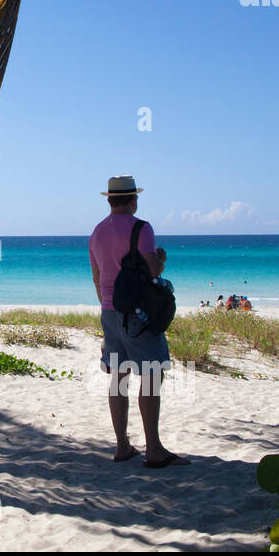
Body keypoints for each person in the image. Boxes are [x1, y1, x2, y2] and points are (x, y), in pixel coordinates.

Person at [88, 175, 187, 469]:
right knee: (152, 374)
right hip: (137, 313)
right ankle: (153, 448)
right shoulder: (141, 228)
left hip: (108, 310)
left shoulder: (96, 232)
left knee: (118, 377)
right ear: (133, 200)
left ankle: (122, 446)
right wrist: (160, 258)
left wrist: (107, 306)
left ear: (109, 200)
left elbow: (96, 276)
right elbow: (153, 270)